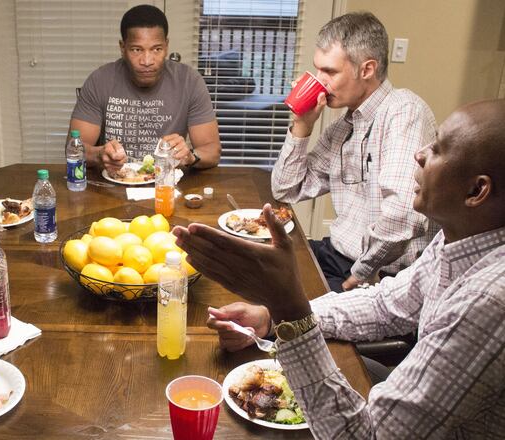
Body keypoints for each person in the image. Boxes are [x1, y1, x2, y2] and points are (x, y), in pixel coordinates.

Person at [174, 99, 505, 438]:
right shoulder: (461, 239)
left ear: (476, 190)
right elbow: (386, 305)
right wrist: (272, 317)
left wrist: (289, 309)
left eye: (437, 149)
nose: (419, 154)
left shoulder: (489, 302)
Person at [271, 12, 439, 292]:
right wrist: (302, 125)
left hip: (381, 275)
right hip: (336, 255)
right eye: (317, 70)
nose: (319, 81)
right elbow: (286, 190)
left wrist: (361, 271)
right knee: (256, 269)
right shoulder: (342, 128)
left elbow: (403, 215)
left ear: (367, 69)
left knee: (276, 309)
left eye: (330, 72)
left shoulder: (404, 111)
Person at [70, 4, 221, 173]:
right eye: (136, 49)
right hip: (113, 185)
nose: (147, 60)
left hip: (167, 186)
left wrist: (190, 156)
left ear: (166, 46)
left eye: (156, 49)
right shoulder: (100, 80)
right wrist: (99, 154)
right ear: (122, 48)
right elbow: (75, 148)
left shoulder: (189, 81)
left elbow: (212, 151)